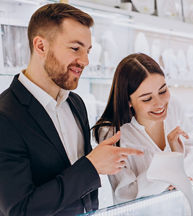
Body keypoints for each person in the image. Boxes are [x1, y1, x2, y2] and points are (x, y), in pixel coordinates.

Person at [0, 3, 143, 216]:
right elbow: (19, 209)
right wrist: (92, 166)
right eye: (75, 48)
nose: (85, 61)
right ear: (40, 46)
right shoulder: (5, 115)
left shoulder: (76, 103)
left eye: (88, 51)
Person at [92, 53, 193, 204]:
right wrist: (174, 162)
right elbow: (126, 193)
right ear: (128, 101)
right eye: (147, 98)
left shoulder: (174, 107)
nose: (160, 104)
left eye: (163, 91)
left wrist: (164, 176)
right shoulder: (112, 133)